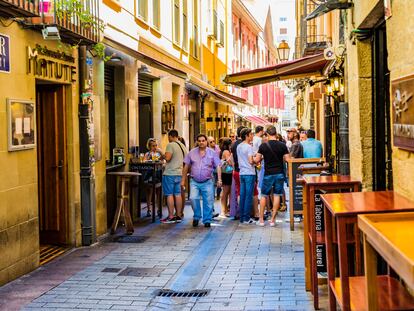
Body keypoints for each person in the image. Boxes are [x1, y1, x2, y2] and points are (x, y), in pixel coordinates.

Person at [181, 134, 222, 228]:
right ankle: (197, 216)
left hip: (207, 181)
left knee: (208, 201)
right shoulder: (191, 152)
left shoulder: (212, 153)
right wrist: (183, 181)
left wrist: (219, 179)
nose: (201, 142)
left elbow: (218, 166)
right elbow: (186, 166)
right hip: (194, 181)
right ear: (197, 142)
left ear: (206, 141)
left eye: (203, 140)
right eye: (199, 141)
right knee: (193, 198)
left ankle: (207, 220)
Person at [254, 126, 291, 226]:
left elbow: (256, 160)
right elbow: (288, 159)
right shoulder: (282, 145)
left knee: (264, 195)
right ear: (276, 133)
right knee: (277, 195)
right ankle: (273, 220)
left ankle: (261, 220)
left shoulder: (263, 146)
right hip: (279, 173)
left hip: (268, 173)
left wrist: (253, 159)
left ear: (267, 134)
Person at [161, 130, 187, 224]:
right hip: (179, 172)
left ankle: (171, 216)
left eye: (168, 137)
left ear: (171, 136)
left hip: (170, 173)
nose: (168, 139)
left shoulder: (171, 145)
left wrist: (162, 154)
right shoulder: (182, 145)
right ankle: (179, 215)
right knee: (177, 194)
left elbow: (168, 158)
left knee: (169, 194)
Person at [237, 128, 256, 225]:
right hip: (249, 172)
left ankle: (242, 217)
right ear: (247, 136)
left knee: (243, 195)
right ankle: (246, 218)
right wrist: (256, 160)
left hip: (242, 173)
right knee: (248, 196)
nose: (252, 136)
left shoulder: (239, 146)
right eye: (251, 134)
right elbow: (250, 161)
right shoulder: (249, 147)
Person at [144, 138, 164, 216]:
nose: (155, 147)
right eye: (153, 146)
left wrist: (161, 153)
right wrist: (148, 159)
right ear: (149, 147)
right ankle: (149, 210)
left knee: (158, 191)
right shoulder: (147, 154)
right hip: (149, 174)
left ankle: (159, 209)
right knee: (149, 191)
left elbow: (163, 160)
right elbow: (144, 161)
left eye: (156, 145)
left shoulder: (159, 154)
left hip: (157, 173)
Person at [219, 138, 233, 218]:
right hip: (227, 174)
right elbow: (230, 162)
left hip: (227, 173)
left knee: (227, 192)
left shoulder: (224, 151)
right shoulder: (226, 152)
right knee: (225, 192)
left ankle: (225, 210)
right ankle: (223, 211)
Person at [208, 136, 222, 205]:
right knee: (212, 184)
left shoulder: (217, 148)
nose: (213, 143)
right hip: (211, 169)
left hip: (218, 167)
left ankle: (218, 194)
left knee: (219, 183)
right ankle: (212, 197)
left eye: (213, 141)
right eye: (211, 142)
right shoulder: (207, 150)